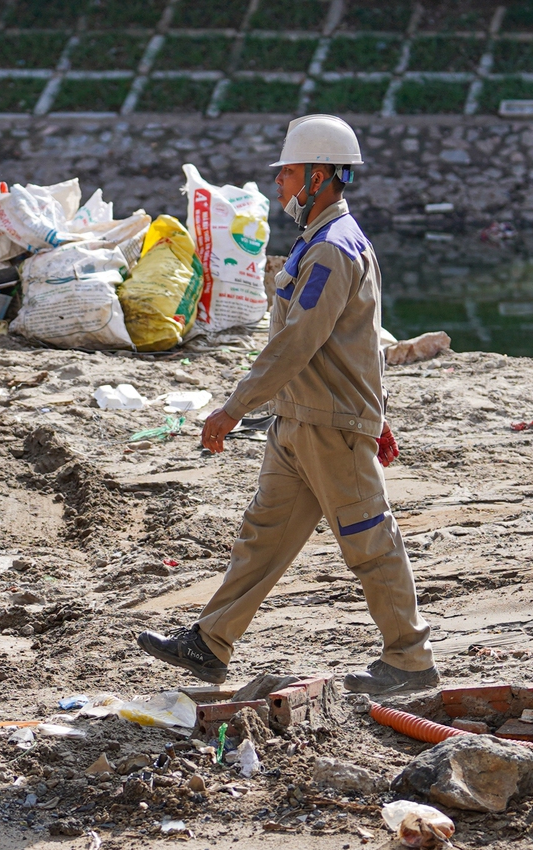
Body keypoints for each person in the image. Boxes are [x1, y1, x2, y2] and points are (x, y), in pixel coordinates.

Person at [135, 114, 437, 697]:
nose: (279, 184)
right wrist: (378, 411)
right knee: (264, 538)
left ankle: (410, 661)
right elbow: (359, 339)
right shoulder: (319, 241)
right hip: (300, 421)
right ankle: (210, 642)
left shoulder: (332, 250)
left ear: (320, 176)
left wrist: (234, 408)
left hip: (326, 426)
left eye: (290, 173)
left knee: (370, 543)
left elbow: (296, 341)